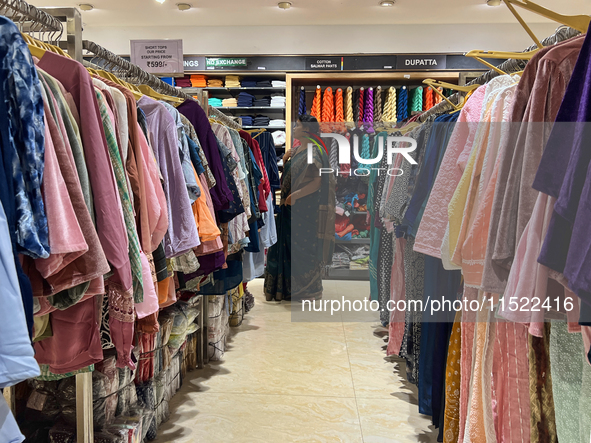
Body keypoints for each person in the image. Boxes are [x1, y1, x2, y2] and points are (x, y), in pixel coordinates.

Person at [264, 115, 335, 301]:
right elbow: (293, 175)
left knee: (303, 250)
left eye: (298, 126)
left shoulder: (313, 150)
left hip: (304, 210)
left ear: (306, 130)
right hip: (290, 209)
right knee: (288, 248)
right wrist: (286, 160)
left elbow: (318, 181)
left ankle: (309, 290)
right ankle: (286, 289)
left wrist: (295, 196)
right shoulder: (297, 150)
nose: (294, 129)